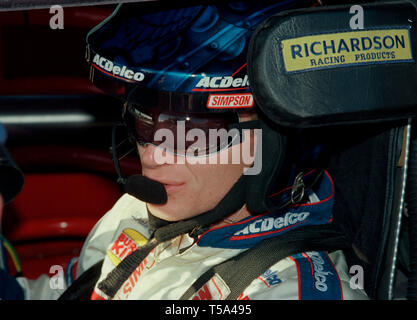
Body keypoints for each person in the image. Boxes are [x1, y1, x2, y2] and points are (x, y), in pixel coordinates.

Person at [7, 1, 368, 300]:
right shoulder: (140, 209)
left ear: (280, 144)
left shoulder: (291, 289)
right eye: (145, 120)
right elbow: (73, 291)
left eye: (193, 130)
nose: (153, 154)